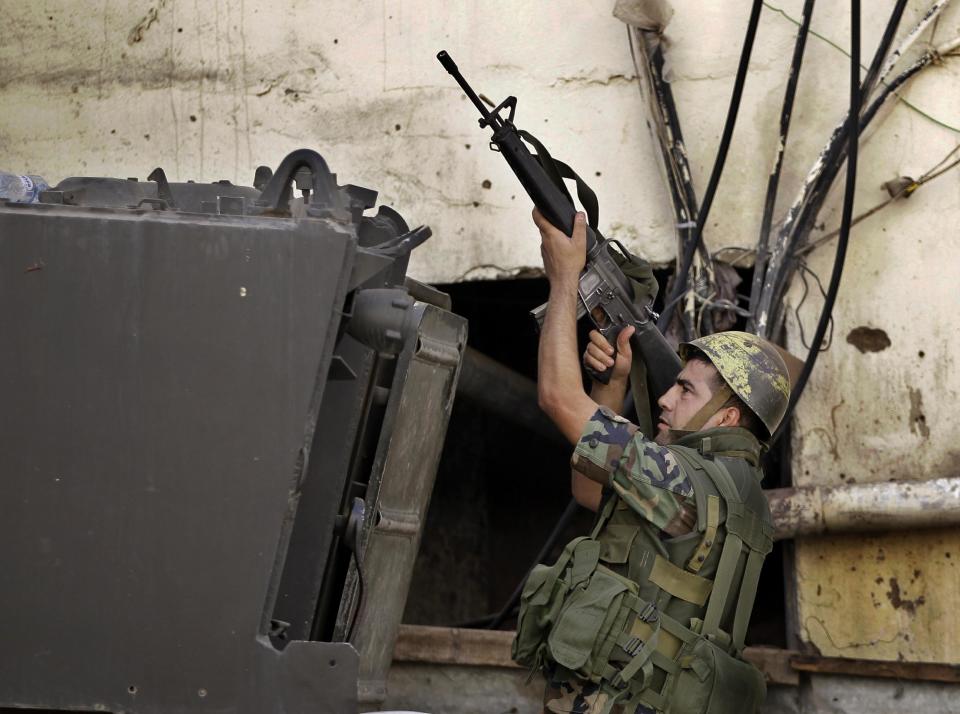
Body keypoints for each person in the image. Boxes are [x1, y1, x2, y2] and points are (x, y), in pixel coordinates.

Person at [518, 209, 791, 714]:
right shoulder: (730, 487)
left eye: (685, 391)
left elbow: (557, 397)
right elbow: (591, 493)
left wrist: (562, 280)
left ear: (726, 415)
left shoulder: (686, 481)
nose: (665, 401)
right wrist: (612, 383)